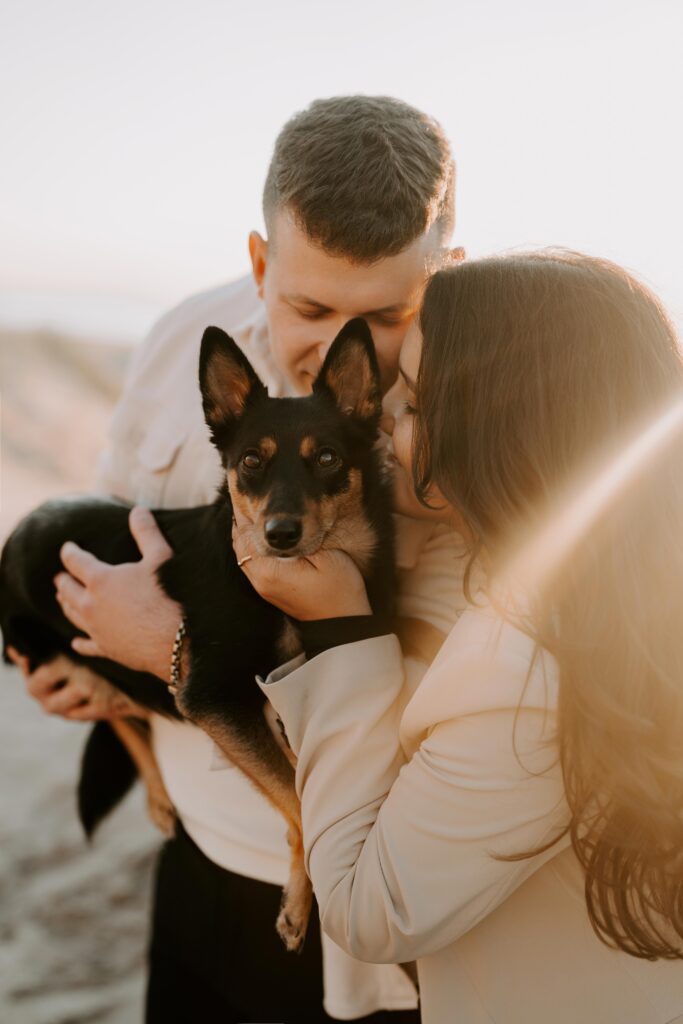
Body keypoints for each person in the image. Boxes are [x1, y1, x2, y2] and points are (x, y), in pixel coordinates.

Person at [10, 95, 464, 1022]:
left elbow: (433, 707)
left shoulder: (470, 424)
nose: (338, 348)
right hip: (191, 852)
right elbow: (116, 519)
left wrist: (166, 651)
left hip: (347, 897)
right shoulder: (188, 337)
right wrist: (90, 655)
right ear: (260, 263)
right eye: (308, 305)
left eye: (387, 313)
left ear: (444, 275)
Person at [231, 251, 683, 1024]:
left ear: (497, 429)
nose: (384, 424)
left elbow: (369, 909)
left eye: (410, 401)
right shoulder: (630, 587)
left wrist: (338, 630)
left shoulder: (522, 670)